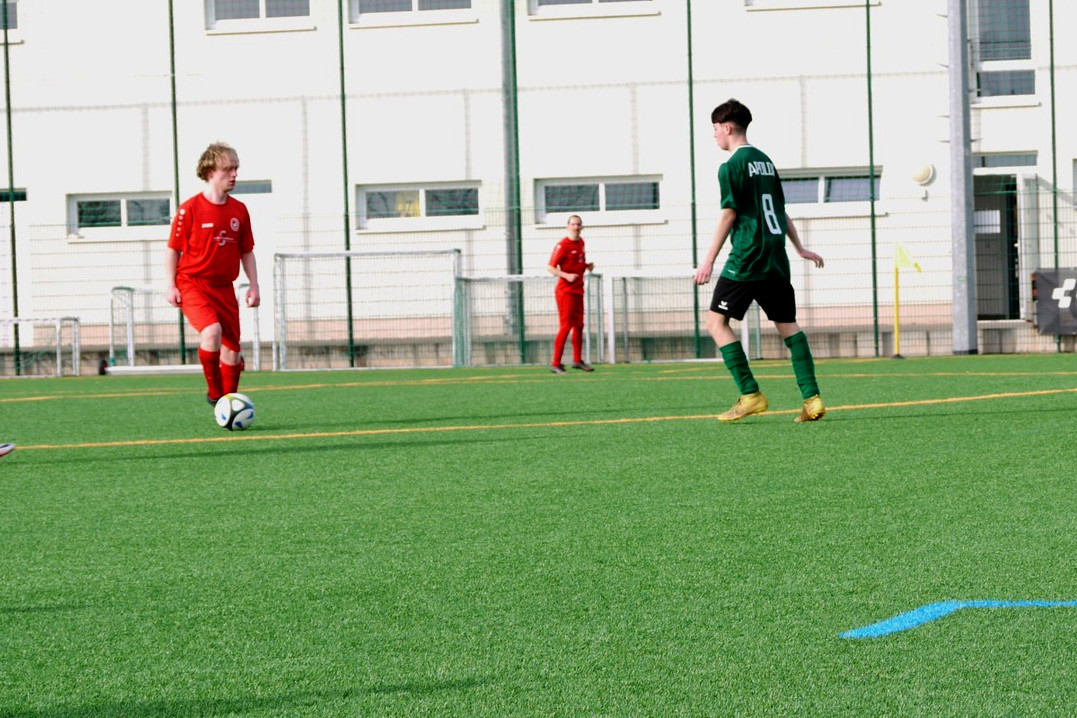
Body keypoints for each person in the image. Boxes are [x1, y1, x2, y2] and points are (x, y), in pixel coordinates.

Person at [693, 99, 826, 423]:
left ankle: (750, 394)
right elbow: (779, 210)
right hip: (776, 260)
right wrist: (799, 248)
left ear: (726, 127)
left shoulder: (731, 167)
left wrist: (708, 260)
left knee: (715, 323)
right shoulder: (766, 162)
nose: (713, 136)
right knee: (788, 327)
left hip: (747, 258)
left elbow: (729, 214)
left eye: (714, 129)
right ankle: (812, 399)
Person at [166, 142, 260, 405]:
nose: (233, 174)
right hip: (192, 283)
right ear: (210, 172)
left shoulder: (239, 210)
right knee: (211, 332)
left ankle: (229, 403)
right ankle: (215, 394)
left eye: (235, 169)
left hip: (224, 287)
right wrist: (170, 285)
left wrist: (254, 285)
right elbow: (172, 250)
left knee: (232, 351)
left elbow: (247, 251)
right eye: (227, 169)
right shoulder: (189, 209)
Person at [547, 214, 595, 374]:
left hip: (578, 290)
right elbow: (551, 267)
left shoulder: (581, 242)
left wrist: (586, 266)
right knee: (566, 326)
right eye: (573, 224)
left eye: (579, 224)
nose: (576, 227)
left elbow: (577, 263)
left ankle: (577, 360)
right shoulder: (562, 245)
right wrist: (566, 275)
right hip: (565, 291)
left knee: (579, 326)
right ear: (568, 226)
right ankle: (555, 363)